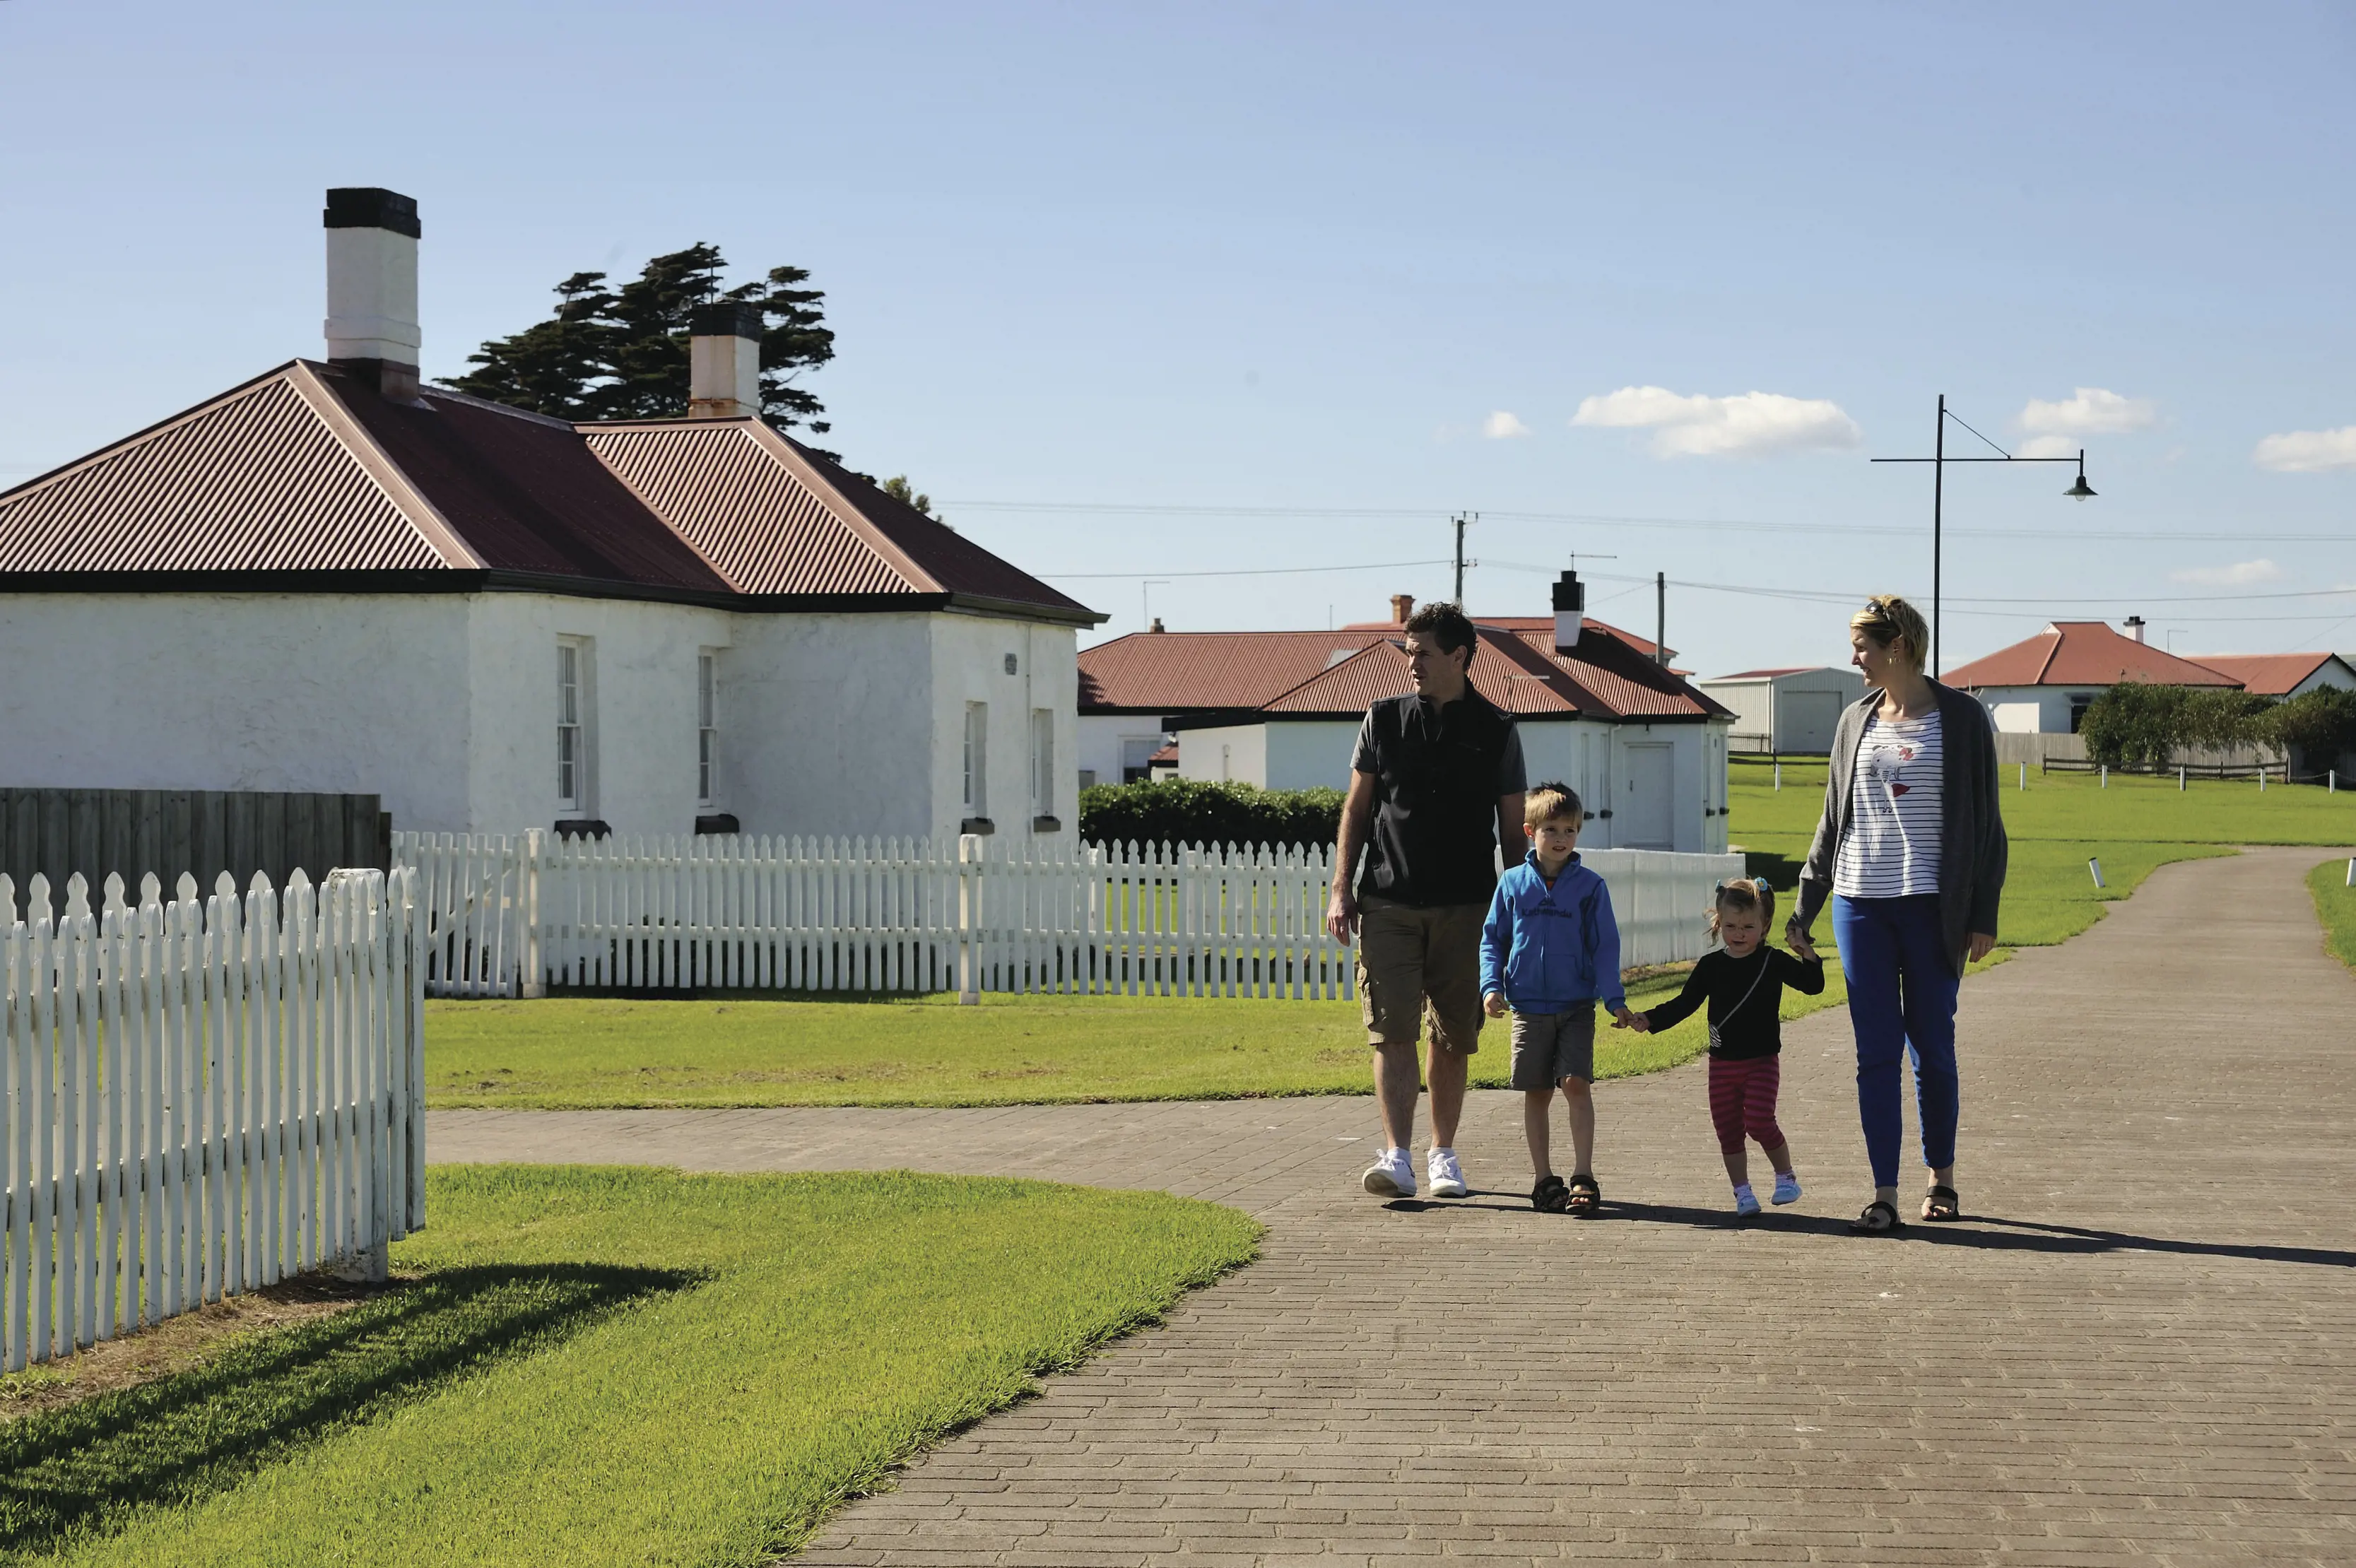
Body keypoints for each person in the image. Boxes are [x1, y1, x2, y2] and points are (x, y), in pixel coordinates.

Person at [1786, 594, 2007, 1235]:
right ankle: (1883, 1190)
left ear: (1898, 648)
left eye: (1863, 647)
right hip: (1860, 906)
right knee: (1874, 1053)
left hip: (1934, 909)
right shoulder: (1854, 721)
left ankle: (1941, 1177)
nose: (1855, 658)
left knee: (1932, 1048)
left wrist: (1983, 911)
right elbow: (1833, 820)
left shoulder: (1963, 720)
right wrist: (1806, 907)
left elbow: (1987, 826)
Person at [1327, 601, 1527, 1201]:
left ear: (1460, 656)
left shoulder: (1497, 729)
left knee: (1453, 1036)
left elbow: (1514, 833)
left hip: (1470, 907)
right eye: (1407, 652)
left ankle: (1443, 1155)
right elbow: (1357, 811)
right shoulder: (1382, 719)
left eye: (1424, 653)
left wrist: (1516, 913)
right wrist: (1342, 886)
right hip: (1387, 901)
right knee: (1390, 1030)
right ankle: (1398, 1156)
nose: (1411, 663)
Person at [1479, 783, 1635, 1215]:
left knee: (1575, 1084)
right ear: (1530, 831)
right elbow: (1493, 940)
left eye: (1570, 829)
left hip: (1576, 1006)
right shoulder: (1512, 884)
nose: (1562, 838)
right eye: (1552, 829)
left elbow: (1605, 946)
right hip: (1528, 1007)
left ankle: (1583, 1176)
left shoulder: (1589, 887)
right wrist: (1491, 987)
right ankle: (1544, 1180)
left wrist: (1614, 999)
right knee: (1537, 1091)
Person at [1626, 878, 1824, 1215]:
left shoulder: (1772, 961)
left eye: (1749, 926)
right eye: (1731, 925)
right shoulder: (1711, 966)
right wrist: (1650, 1019)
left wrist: (1808, 956)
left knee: (1760, 1121)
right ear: (1718, 923)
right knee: (1729, 1131)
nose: (1740, 933)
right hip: (1722, 1065)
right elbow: (1685, 1003)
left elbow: (1812, 986)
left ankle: (1786, 1177)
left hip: (1761, 1061)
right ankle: (1742, 1191)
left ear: (1765, 926)